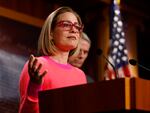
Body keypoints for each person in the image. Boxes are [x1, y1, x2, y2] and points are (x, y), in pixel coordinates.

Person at [19, 7, 87, 113]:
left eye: (77, 26)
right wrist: (34, 86)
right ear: (51, 33)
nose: (73, 30)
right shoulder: (38, 65)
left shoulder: (80, 75)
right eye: (66, 24)